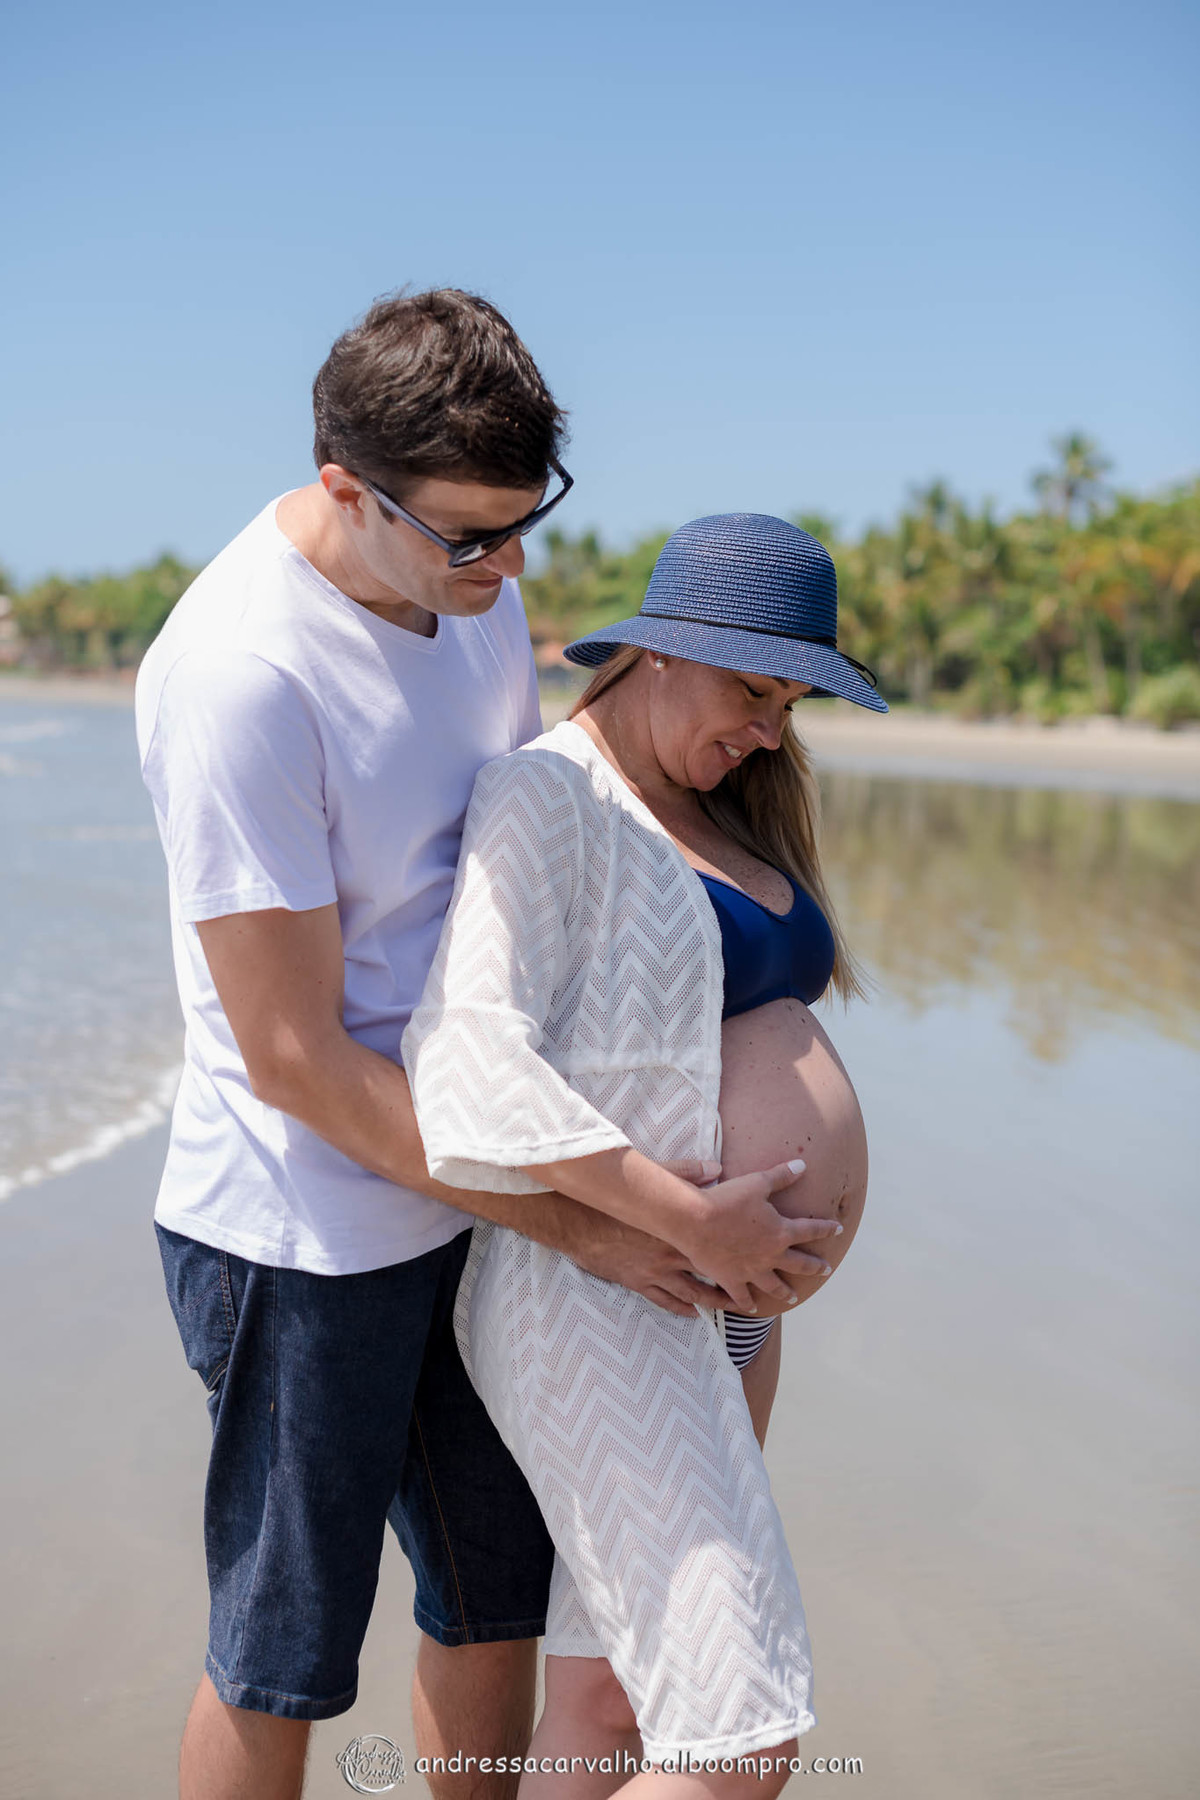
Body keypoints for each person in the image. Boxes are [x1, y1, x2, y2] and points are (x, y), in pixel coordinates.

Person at [135, 294, 827, 1800]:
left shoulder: (474, 593)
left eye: (525, 526)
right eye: (470, 536)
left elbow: (527, 884)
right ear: (344, 487)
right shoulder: (242, 675)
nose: (510, 571)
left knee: (492, 1603)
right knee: (281, 1654)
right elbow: (294, 1056)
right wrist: (605, 1218)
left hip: (488, 1215)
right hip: (303, 1232)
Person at [402, 512, 888, 1799]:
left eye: (789, 706)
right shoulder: (548, 795)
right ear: (661, 651)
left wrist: (736, 1248)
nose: (770, 732)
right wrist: (688, 1218)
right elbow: (468, 1058)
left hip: (732, 1313)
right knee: (741, 1739)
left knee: (611, 1693)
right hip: (604, 1301)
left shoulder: (728, 804)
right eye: (754, 693)